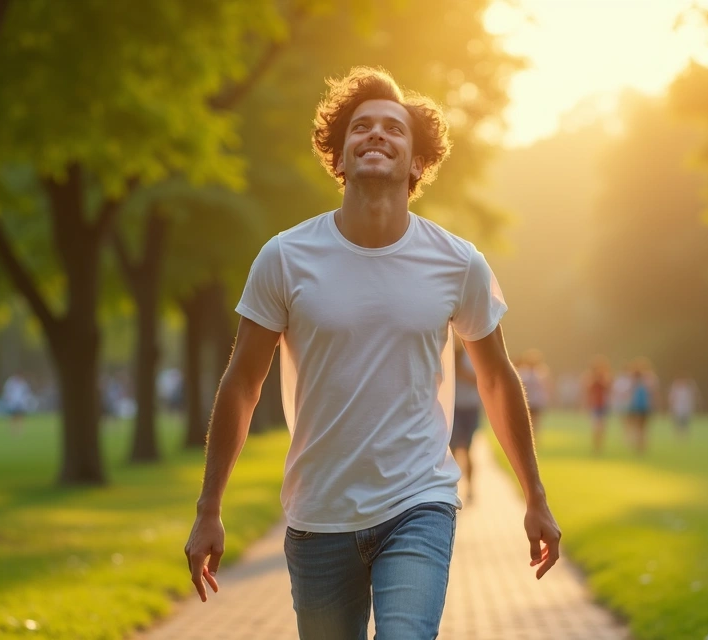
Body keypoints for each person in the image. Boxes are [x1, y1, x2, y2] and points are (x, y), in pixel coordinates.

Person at [182, 67, 561, 640]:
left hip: (419, 501)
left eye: (393, 128)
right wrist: (210, 506)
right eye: (361, 127)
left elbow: (497, 381)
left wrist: (534, 495)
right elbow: (241, 385)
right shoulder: (285, 258)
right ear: (339, 155)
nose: (376, 134)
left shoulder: (458, 263)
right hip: (319, 511)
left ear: (416, 163)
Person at [450, 341, 482, 501]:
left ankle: (470, 488)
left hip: (470, 408)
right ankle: (452, 488)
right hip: (453, 409)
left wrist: (461, 372)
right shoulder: (448, 355)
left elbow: (481, 379)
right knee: (452, 450)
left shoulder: (472, 356)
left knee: (468, 450)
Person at [583, 356, 613, 455]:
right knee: (596, 427)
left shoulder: (605, 377)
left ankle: (599, 446)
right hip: (595, 405)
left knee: (601, 427)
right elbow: (587, 390)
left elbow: (608, 388)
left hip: (603, 405)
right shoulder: (590, 377)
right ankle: (596, 445)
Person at [625, 358, 655, 455]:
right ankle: (641, 444)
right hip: (641, 406)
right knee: (641, 427)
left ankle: (640, 444)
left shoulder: (640, 380)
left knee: (640, 427)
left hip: (641, 406)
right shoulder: (644, 380)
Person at [518, 348, 550, 432]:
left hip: (536, 401)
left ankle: (534, 441)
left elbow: (545, 387)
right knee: (526, 423)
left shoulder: (541, 372)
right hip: (526, 401)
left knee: (535, 423)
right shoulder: (523, 371)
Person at [668, 373, 700, 439]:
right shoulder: (676, 388)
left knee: (685, 423)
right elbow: (672, 398)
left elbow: (693, 397)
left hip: (686, 409)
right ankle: (678, 435)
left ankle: (685, 436)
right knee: (677, 423)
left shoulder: (688, 389)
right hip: (677, 408)